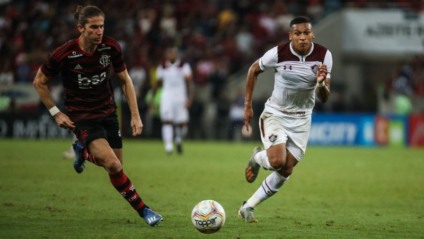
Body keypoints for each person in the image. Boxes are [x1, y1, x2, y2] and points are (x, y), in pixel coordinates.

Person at [33, 5, 163, 227]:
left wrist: (135, 115)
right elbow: (39, 82)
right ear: (81, 28)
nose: (99, 31)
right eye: (94, 27)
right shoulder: (65, 53)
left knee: (116, 166)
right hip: (82, 117)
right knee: (113, 165)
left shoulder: (110, 47)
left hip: (108, 113)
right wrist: (56, 113)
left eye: (101, 26)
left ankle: (82, 151)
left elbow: (125, 80)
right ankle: (145, 211)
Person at [238, 16, 332, 222]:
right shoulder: (278, 53)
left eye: (306, 33)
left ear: (312, 34)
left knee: (286, 168)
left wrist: (320, 83)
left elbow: (324, 97)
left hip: (302, 120)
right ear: (290, 36)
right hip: (276, 114)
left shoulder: (324, 55)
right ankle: (257, 158)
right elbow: (254, 70)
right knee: (277, 161)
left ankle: (248, 207)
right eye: (297, 33)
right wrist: (247, 105)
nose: (302, 38)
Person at [150, 46, 193, 155]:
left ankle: (178, 139)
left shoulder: (184, 66)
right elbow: (157, 84)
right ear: (166, 55)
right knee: (167, 120)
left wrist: (190, 97)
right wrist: (152, 99)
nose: (172, 55)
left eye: (173, 53)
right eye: (170, 53)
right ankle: (168, 145)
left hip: (181, 96)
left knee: (182, 123)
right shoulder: (162, 67)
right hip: (167, 97)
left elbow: (189, 82)